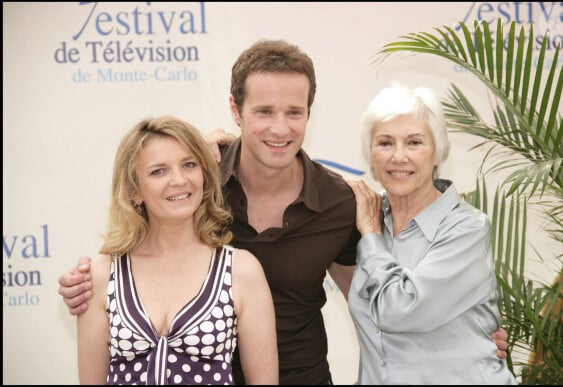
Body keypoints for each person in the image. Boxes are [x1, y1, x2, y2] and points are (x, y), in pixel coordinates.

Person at [59, 40, 509, 385]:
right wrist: (88, 281)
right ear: (235, 109)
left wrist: (462, 337)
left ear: (310, 113)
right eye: (264, 111)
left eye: (294, 112)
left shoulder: (340, 203)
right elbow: (138, 252)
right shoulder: (198, 181)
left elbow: (374, 303)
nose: (280, 128)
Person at [76, 116, 278, 385]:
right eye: (158, 171)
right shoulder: (102, 275)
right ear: (135, 190)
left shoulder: (241, 270)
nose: (179, 180)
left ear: (204, 177)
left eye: (189, 164)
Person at [343, 83, 518, 384]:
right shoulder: (364, 215)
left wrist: (370, 235)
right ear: (369, 154)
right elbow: (288, 176)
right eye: (385, 143)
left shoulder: (467, 229)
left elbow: (398, 310)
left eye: (414, 142)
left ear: (437, 151)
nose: (399, 156)